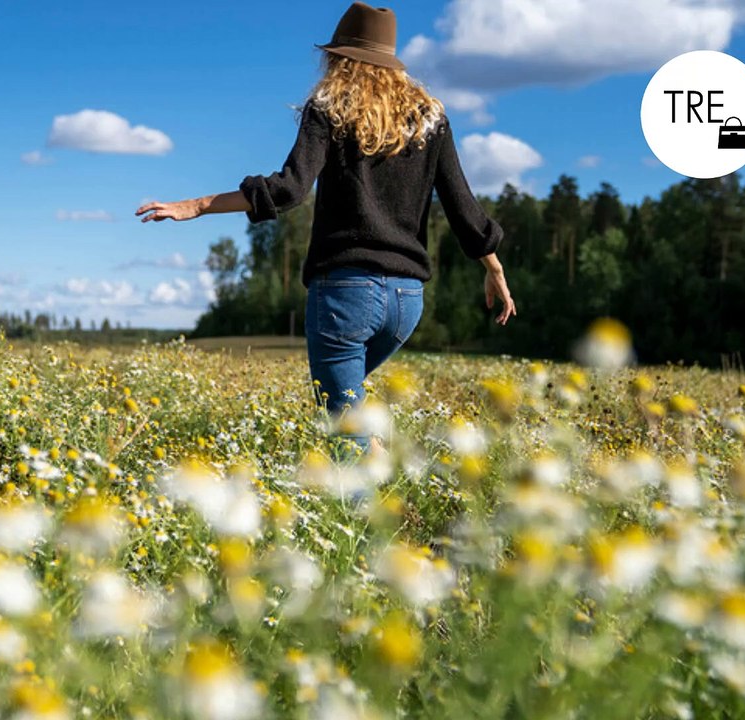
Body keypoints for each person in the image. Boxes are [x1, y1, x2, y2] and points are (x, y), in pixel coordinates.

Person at [136, 1, 516, 457]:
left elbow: (290, 189)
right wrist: (493, 266)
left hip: (344, 296)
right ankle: (384, 469)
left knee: (345, 427)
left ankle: (380, 515)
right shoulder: (429, 119)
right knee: (350, 413)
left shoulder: (330, 107)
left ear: (340, 57)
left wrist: (195, 206)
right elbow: (462, 205)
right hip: (406, 304)